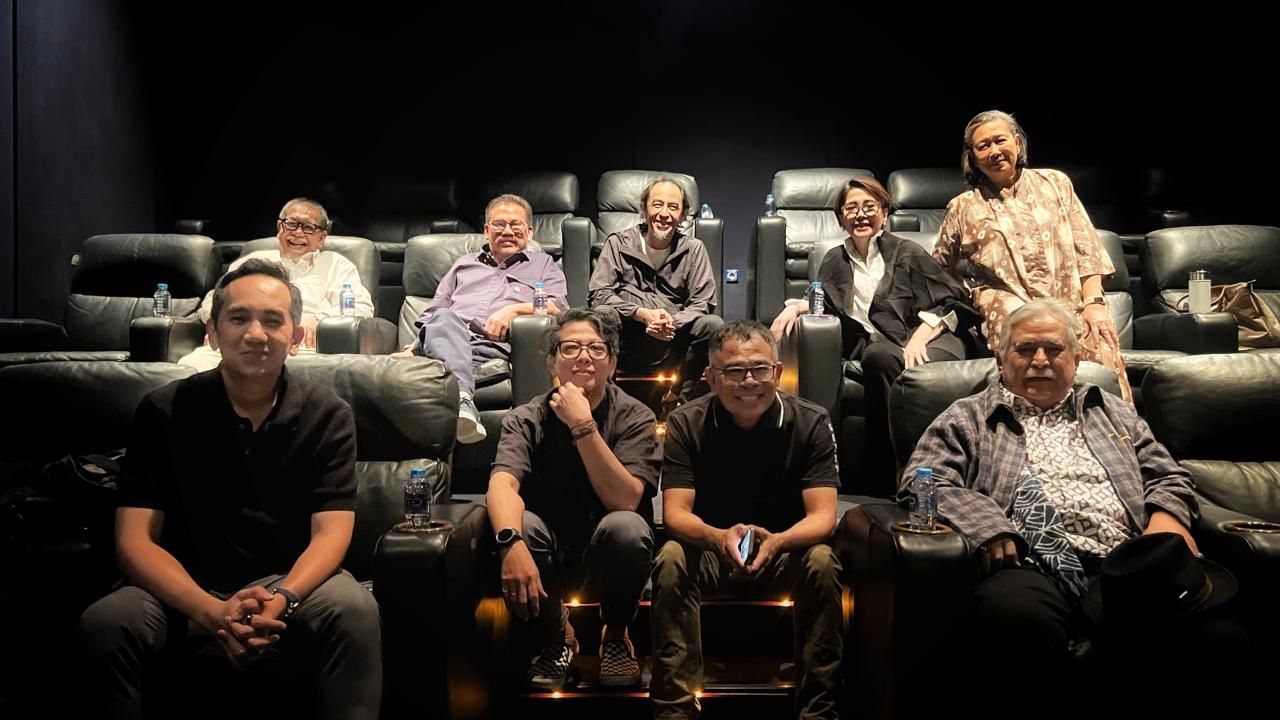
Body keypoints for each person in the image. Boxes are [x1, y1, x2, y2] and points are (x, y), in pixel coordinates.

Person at [900, 299, 1247, 714]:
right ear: (1001, 359)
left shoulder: (1113, 412)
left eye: (1054, 349)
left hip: (1127, 565)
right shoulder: (966, 417)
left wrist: (1168, 521)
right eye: (1025, 349)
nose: (1040, 360)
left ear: (1077, 359)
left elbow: (1168, 475)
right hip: (1027, 564)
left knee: (1217, 637)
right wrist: (988, 527)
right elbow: (923, 481)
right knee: (1014, 619)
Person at [78, 259, 381, 719]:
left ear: (296, 337)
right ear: (213, 333)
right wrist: (211, 611)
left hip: (289, 580)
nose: (256, 334)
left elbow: (331, 534)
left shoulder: (328, 414)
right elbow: (134, 541)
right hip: (183, 585)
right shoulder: (163, 410)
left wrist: (283, 600)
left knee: (354, 609)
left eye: (273, 321)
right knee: (105, 623)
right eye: (239, 318)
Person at [650, 319, 843, 720]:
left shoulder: (811, 421)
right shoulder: (686, 422)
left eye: (759, 369)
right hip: (712, 550)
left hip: (785, 550)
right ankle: (675, 708)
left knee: (823, 560)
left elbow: (824, 516)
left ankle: (819, 710)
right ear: (711, 377)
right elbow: (675, 514)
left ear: (777, 371)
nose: (749, 382)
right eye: (734, 371)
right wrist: (718, 537)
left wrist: (778, 541)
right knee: (670, 557)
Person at [486, 308, 661, 688]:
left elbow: (625, 501)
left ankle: (616, 636)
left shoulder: (636, 416)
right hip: (547, 556)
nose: (584, 357)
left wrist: (582, 424)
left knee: (627, 527)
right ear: (552, 362)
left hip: (612, 556)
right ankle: (558, 638)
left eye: (597, 349)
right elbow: (502, 484)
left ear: (612, 362)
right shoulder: (526, 417)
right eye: (570, 348)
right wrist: (510, 543)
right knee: (521, 524)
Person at [770, 176, 975, 495]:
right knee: (877, 356)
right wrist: (796, 307)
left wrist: (920, 337)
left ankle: (922, 468)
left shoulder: (907, 252)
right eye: (851, 208)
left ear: (884, 212)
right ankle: (893, 473)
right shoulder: (835, 259)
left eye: (869, 207)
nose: (860, 215)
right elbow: (825, 300)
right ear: (841, 217)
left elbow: (951, 301)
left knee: (894, 362)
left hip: (933, 335)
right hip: (883, 347)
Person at [934, 109, 1130, 400]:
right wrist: (970, 301)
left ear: (1017, 142)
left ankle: (1112, 426)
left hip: (1071, 304)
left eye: (1000, 140)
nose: (994, 151)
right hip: (1008, 309)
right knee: (1026, 362)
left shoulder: (1055, 183)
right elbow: (938, 269)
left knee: (1099, 354)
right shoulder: (962, 206)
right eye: (983, 146)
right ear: (972, 157)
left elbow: (1086, 247)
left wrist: (1095, 303)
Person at [403, 193, 567, 443]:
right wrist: (414, 348)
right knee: (444, 317)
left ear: (529, 232)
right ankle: (463, 401)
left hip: (493, 347)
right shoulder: (463, 265)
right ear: (487, 231)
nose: (507, 231)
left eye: (516, 224)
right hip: (444, 342)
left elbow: (559, 308)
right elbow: (434, 314)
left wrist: (516, 310)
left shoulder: (543, 265)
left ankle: (460, 399)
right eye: (499, 224)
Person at [178, 197, 374, 371]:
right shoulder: (252, 261)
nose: (298, 233)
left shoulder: (337, 265)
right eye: (292, 224)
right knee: (190, 366)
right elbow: (212, 302)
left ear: (321, 237)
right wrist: (222, 325)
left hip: (304, 350)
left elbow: (362, 309)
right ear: (280, 227)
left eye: (308, 227)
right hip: (242, 344)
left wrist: (320, 320)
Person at [589, 177, 722, 403]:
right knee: (602, 314)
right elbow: (599, 293)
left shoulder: (693, 249)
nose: (664, 214)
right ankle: (608, 400)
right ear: (644, 209)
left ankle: (678, 399)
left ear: (683, 216)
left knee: (712, 324)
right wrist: (642, 315)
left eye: (673, 207)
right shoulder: (618, 243)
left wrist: (670, 322)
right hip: (628, 336)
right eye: (657, 204)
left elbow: (704, 301)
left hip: (674, 337)